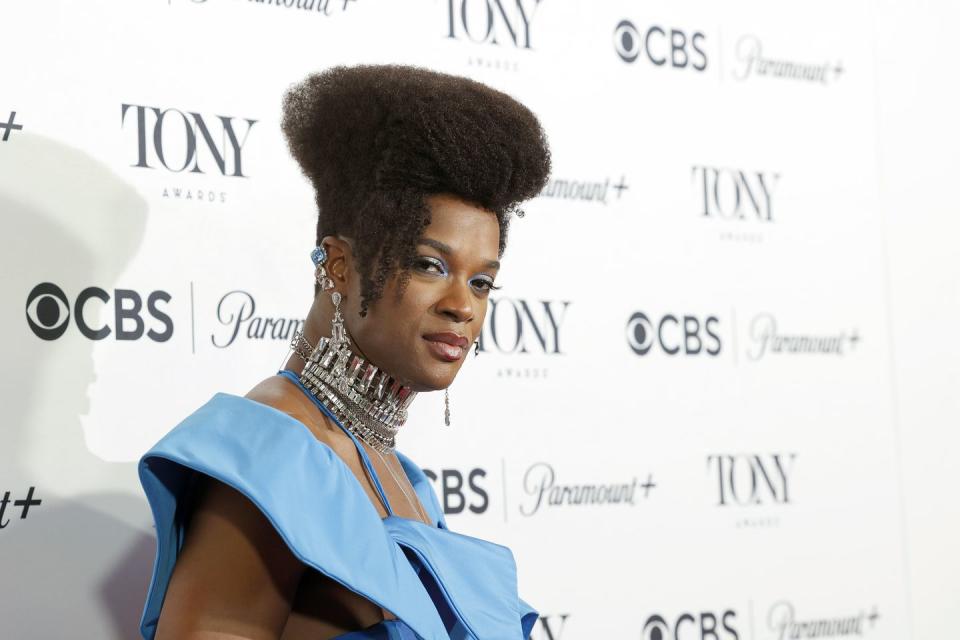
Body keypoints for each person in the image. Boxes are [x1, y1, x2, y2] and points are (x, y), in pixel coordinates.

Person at [136, 64, 552, 639]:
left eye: (482, 282)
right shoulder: (275, 456)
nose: (464, 305)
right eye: (430, 264)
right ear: (338, 266)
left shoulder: (400, 474)